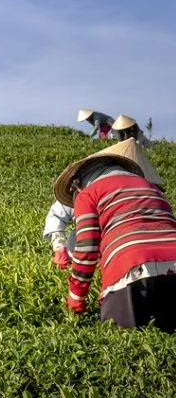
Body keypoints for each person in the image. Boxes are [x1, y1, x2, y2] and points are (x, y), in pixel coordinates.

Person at [52, 138, 176, 329]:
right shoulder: (153, 189)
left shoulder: (89, 193)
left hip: (132, 271)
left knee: (125, 339)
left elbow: (87, 248)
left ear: (79, 183)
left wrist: (75, 300)